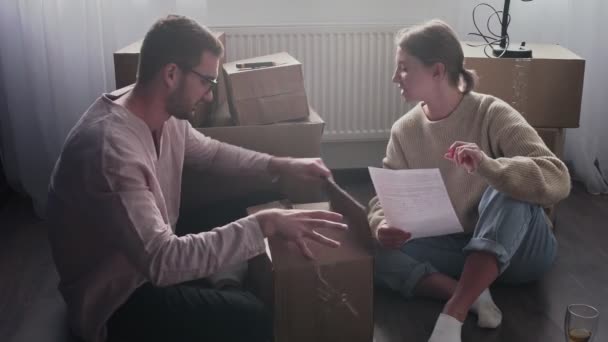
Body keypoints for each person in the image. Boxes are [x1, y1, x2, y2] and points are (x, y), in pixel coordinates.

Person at [47, 15, 347, 342]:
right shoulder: (111, 151)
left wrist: (282, 164)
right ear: (172, 74)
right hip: (117, 296)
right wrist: (264, 225)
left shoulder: (159, 110)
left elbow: (211, 153)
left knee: (251, 202)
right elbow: (161, 261)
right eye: (207, 82)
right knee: (252, 316)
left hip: (148, 251)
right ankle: (223, 287)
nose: (208, 96)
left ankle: (219, 282)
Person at [368, 19, 571, 342]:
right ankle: (475, 296)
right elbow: (383, 197)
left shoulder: (492, 112)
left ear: (437, 70)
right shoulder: (404, 131)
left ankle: (454, 312)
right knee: (372, 253)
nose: (395, 78)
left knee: (504, 189)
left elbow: (557, 176)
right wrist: (381, 224)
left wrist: (490, 168)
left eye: (404, 68)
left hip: (521, 251)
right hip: (457, 249)